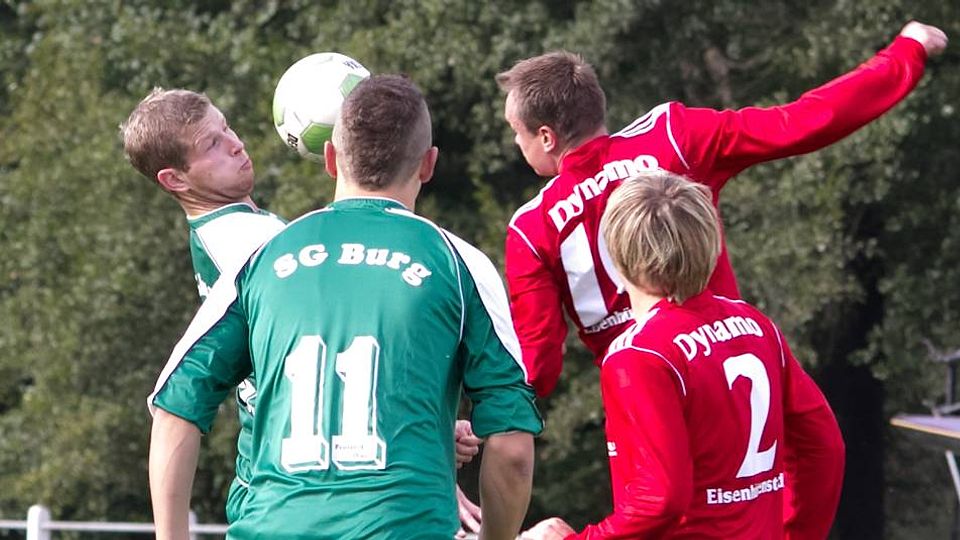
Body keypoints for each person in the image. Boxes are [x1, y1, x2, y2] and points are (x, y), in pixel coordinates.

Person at [147, 75, 542, 539]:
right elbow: (512, 450)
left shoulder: (262, 259)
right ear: (428, 164)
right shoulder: (459, 263)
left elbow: (175, 410)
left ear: (331, 159)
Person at [496, 21, 948, 398]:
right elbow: (804, 122)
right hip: (732, 361)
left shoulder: (530, 228)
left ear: (546, 137)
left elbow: (538, 364)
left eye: (517, 132)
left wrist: (487, 420)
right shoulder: (671, 136)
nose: (517, 142)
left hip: (643, 387)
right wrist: (905, 53)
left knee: (664, 485)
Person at [522, 170, 845, 539]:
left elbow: (660, 499)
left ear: (616, 257)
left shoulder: (637, 354)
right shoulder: (755, 325)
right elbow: (824, 446)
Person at [121, 88, 286, 524]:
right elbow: (176, 407)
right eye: (212, 144)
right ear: (176, 180)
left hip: (268, 482)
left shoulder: (229, 232)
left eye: (226, 127)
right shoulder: (251, 244)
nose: (236, 143)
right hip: (290, 487)